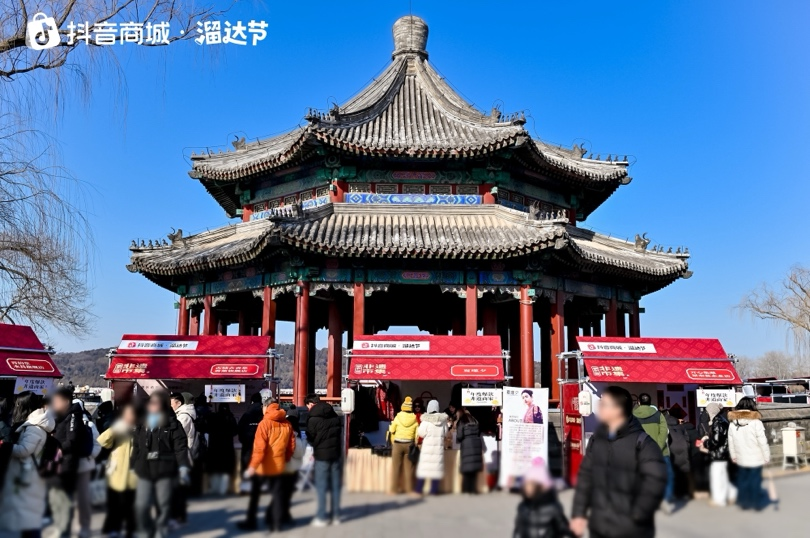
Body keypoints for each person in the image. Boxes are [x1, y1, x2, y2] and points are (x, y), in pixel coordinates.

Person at [571, 386, 667, 538]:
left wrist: (639, 514)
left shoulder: (642, 442)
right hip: (599, 525)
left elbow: (655, 480)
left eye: (604, 404)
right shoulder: (597, 439)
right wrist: (579, 513)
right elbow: (586, 477)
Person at [131, 391, 191, 538]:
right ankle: (145, 531)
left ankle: (160, 531)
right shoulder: (142, 422)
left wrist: (183, 467)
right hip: (144, 469)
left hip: (165, 469)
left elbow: (180, 447)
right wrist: (131, 466)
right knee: (141, 505)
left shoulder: (173, 424)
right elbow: (137, 446)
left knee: (163, 504)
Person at [0, 391, 54, 538]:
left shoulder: (34, 427)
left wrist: (5, 446)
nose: (16, 407)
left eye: (18, 404)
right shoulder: (34, 424)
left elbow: (24, 450)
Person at [244, 393, 295, 533]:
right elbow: (291, 446)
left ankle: (251, 521)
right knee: (277, 495)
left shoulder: (264, 423)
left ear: (266, 407)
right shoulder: (287, 423)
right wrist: (286, 458)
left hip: (262, 466)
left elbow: (259, 449)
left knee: (255, 494)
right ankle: (276, 524)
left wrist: (252, 466)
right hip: (278, 464)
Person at [49, 386, 86, 538]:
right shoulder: (60, 417)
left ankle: (64, 531)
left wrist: (58, 448)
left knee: (64, 498)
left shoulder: (73, 416)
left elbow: (72, 440)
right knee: (55, 497)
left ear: (65, 402)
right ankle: (59, 527)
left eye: (57, 401)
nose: (54, 404)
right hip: (57, 463)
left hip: (67, 463)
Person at [98, 403, 138, 538]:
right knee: (114, 504)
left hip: (134, 474)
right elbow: (101, 441)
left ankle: (131, 530)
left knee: (130, 505)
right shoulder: (117, 428)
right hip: (116, 472)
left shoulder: (142, 428)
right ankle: (113, 528)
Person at [305, 393, 344, 526]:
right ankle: (336, 516)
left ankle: (322, 517)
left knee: (321, 486)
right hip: (336, 454)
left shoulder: (312, 419)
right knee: (335, 486)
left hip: (321, 456)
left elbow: (310, 437)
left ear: (310, 404)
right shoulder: (334, 415)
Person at [236, 390, 272, 531]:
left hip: (248, 449)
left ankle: (247, 491)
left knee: (248, 472)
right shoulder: (264, 415)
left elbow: (239, 431)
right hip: (262, 452)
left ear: (251, 401)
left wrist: (245, 442)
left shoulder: (246, 415)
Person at [727, 397, 770, 510]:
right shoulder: (756, 422)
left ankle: (744, 502)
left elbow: (731, 442)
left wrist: (733, 456)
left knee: (742, 480)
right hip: (756, 457)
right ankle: (755, 502)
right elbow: (762, 441)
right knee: (755, 480)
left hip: (741, 457)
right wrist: (766, 456)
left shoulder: (732, 423)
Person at [633, 392, 673, 511]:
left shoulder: (632, 416)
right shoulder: (659, 415)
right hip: (661, 452)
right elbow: (664, 432)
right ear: (650, 402)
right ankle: (665, 500)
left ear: (639, 402)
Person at [513, 457, 571, 538]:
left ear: (543, 487)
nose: (528, 488)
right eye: (526, 484)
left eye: (532, 484)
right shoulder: (523, 507)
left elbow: (563, 528)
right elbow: (518, 530)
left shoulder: (553, 508)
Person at [72, 399, 102, 538]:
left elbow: (97, 444)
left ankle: (84, 526)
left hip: (83, 465)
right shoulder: (86, 423)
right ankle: (77, 525)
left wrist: (90, 455)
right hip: (73, 464)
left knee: (82, 498)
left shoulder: (87, 424)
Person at [274, 408, 307, 527]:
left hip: (280, 468)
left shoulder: (279, 433)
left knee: (279, 494)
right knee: (286, 495)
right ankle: (283, 517)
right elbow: (299, 453)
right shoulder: (295, 437)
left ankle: (276, 516)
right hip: (291, 470)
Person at [701, 403, 736, 507]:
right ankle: (732, 494)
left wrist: (705, 442)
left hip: (718, 454)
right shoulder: (723, 420)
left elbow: (716, 440)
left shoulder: (717, 422)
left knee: (716, 478)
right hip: (724, 453)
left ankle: (719, 500)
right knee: (723, 476)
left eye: (707, 411)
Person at [169, 392, 196, 526]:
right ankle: (178, 515)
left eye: (171, 403)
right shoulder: (181, 415)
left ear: (179, 403)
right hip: (181, 455)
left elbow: (177, 437)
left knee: (178, 489)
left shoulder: (183, 417)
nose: (170, 405)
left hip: (181, 456)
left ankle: (179, 516)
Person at [388, 396, 419, 495]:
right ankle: (410, 490)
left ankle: (393, 490)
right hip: (409, 445)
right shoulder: (414, 418)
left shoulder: (397, 417)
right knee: (409, 469)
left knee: (396, 468)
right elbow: (417, 435)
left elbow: (392, 430)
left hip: (397, 444)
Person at [415, 399, 447, 495]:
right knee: (436, 470)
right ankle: (433, 491)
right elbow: (445, 433)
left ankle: (418, 490)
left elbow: (421, 433)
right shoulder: (443, 421)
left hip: (427, 449)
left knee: (424, 470)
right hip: (438, 449)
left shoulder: (426, 421)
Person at [205, 403, 238, 496]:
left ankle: (214, 489)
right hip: (227, 447)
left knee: (215, 469)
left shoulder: (213, 417)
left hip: (214, 447)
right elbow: (235, 431)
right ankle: (222, 489)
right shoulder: (231, 418)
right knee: (225, 470)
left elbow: (207, 428)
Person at [456, 409, 483, 494]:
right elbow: (479, 433)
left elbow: (459, 436)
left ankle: (466, 490)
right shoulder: (475, 421)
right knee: (474, 469)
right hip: (476, 443)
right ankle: (473, 489)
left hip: (467, 444)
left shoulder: (462, 422)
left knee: (466, 470)